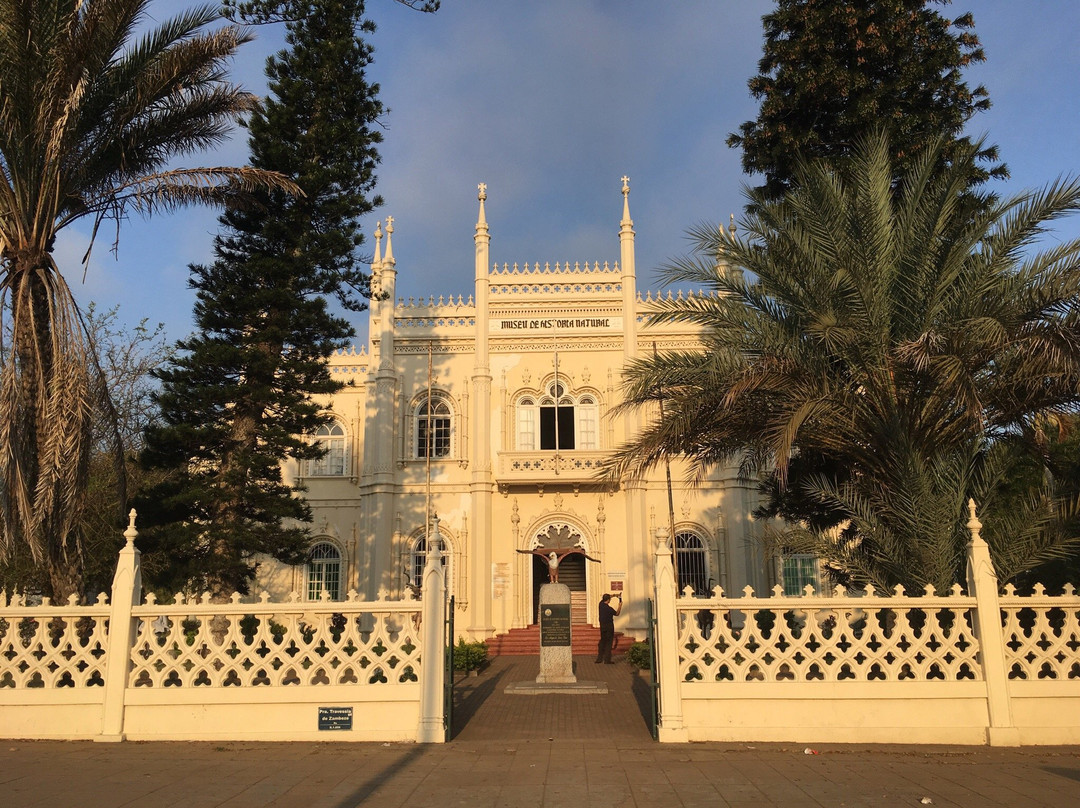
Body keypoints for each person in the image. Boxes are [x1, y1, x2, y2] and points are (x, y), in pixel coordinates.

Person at [596, 592, 622, 663]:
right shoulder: (609, 608)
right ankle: (607, 660)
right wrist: (620, 605)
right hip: (609, 626)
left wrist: (614, 595)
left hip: (602, 626)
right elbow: (617, 613)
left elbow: (606, 598)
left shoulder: (600, 604)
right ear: (608, 600)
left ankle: (599, 658)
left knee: (602, 641)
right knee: (608, 643)